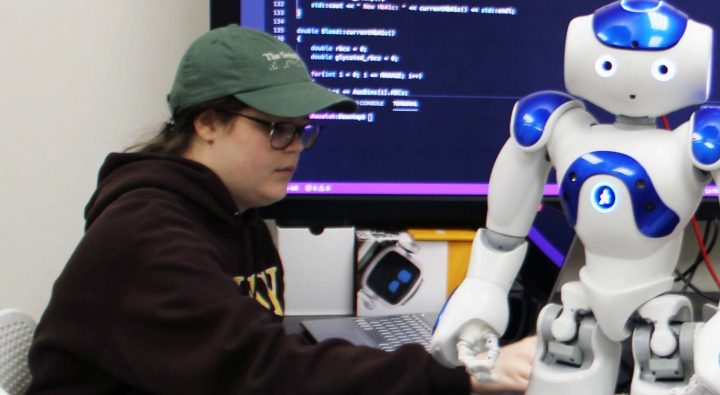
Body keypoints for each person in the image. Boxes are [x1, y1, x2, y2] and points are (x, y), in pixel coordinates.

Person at [26, 25, 535, 394]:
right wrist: (466, 377)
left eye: (302, 130)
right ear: (207, 123)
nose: (293, 147)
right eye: (276, 129)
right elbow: (267, 370)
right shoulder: (145, 235)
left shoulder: (235, 215)